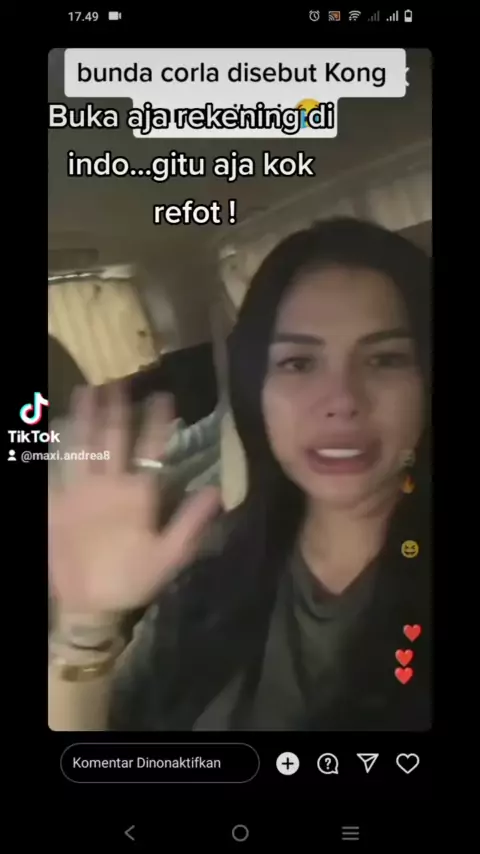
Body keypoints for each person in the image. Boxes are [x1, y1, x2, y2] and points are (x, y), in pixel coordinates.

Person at [48, 217, 431, 732]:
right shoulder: (215, 550)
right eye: (299, 363)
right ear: (256, 389)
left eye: (384, 359)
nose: (342, 400)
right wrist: (86, 624)